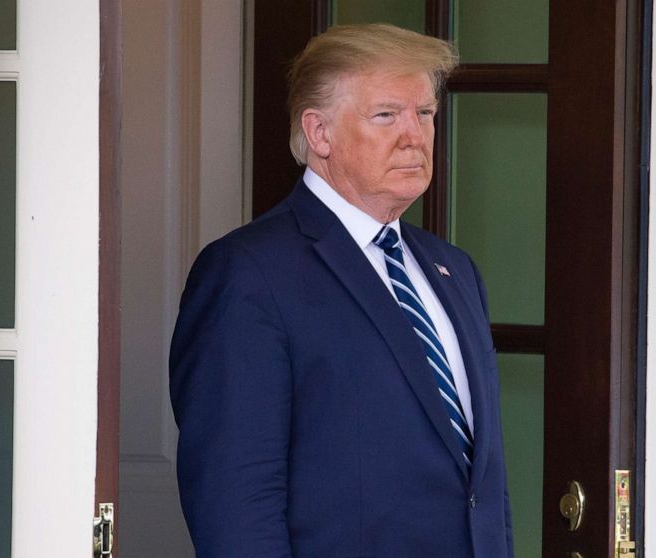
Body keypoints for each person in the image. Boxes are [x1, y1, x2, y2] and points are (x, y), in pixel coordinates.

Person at [169, 23, 513, 557]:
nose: (413, 134)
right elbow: (234, 498)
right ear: (319, 133)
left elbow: (480, 487)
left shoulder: (453, 269)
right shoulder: (248, 273)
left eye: (424, 113)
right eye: (386, 115)